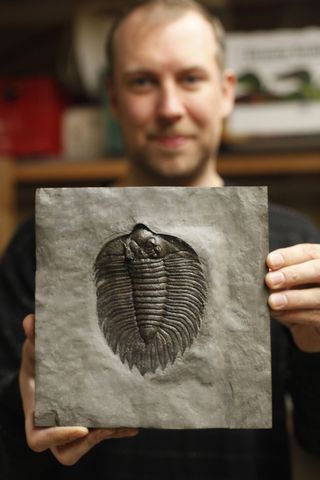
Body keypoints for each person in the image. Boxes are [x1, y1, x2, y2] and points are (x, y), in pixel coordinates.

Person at [1, 1, 320, 478]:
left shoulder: (293, 241)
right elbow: (11, 434)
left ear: (226, 91)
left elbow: (315, 439)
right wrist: (23, 402)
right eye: (142, 81)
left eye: (190, 78)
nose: (170, 108)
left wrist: (318, 349)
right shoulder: (40, 241)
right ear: (113, 98)